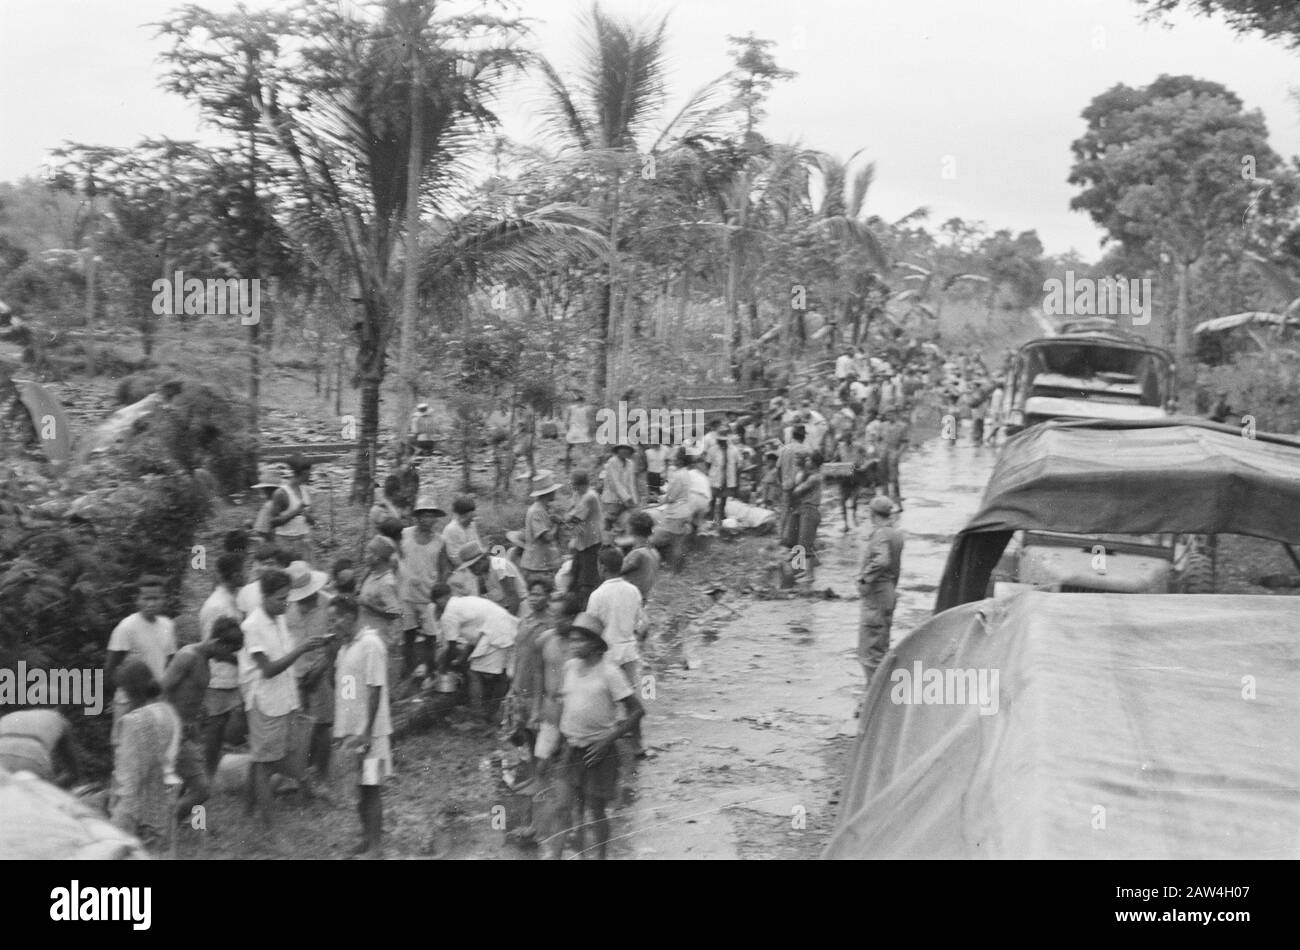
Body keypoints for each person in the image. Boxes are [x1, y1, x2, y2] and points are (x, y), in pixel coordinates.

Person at [239, 568, 328, 841]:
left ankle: (249, 809)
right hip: (265, 702)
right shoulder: (252, 626)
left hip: (283, 699)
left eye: (287, 598)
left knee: (265, 758)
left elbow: (285, 665)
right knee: (265, 765)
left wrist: (294, 698)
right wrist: (301, 649)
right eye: (280, 599)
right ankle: (271, 830)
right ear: (264, 597)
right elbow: (267, 669)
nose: (285, 604)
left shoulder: (277, 618)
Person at [548, 613, 644, 860]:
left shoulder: (609, 673)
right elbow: (566, 706)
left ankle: (600, 855)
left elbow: (637, 711)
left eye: (579, 640)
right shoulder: (570, 667)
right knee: (563, 807)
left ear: (593, 644)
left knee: (595, 810)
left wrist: (608, 740)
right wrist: (557, 741)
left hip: (598, 752)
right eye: (571, 640)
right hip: (571, 747)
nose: (572, 645)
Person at [328, 594, 393, 858]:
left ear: (349, 616)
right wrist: (342, 731)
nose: (332, 625)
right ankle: (366, 839)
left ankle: (376, 847)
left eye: (335, 620)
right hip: (352, 733)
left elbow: (375, 689)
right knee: (361, 790)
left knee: (371, 787)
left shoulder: (371, 644)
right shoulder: (345, 647)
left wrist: (366, 731)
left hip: (371, 733)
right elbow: (343, 689)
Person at [161, 618, 243, 824]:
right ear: (219, 644)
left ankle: (179, 823)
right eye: (230, 651)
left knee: (186, 782)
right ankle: (166, 824)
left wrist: (194, 721)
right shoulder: (187, 657)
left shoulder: (204, 659)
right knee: (202, 788)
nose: (230, 656)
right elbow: (163, 690)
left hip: (186, 729)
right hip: (172, 729)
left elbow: (191, 695)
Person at [109, 660, 181, 851]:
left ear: (130, 690)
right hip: (163, 802)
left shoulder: (134, 722)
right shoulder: (167, 712)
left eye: (122, 690)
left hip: (139, 812)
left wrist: (119, 823)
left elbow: (129, 779)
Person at [584, 547, 646, 757]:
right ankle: (638, 745)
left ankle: (605, 746)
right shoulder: (633, 590)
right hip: (629, 651)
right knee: (631, 701)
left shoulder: (597, 595)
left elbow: (591, 628)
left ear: (601, 567)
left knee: (605, 701)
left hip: (607, 654)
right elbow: (640, 622)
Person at [105, 575, 176, 748]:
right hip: (130, 699)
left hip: (157, 699)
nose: (151, 603)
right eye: (146, 598)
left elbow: (170, 662)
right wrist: (125, 694)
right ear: (137, 600)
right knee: (125, 747)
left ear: (164, 599)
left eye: (156, 598)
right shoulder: (127, 627)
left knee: (153, 749)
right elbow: (111, 667)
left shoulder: (167, 625)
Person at [432, 584, 519, 725]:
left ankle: (477, 715)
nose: (438, 606)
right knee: (501, 675)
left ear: (440, 599)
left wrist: (444, 667)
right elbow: (473, 640)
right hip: (504, 626)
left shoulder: (449, 613)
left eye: (437, 602)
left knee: (474, 674)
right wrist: (461, 658)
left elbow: (451, 646)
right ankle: (493, 711)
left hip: (495, 631)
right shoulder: (463, 602)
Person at [197, 553, 245, 776]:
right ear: (234, 574)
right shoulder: (216, 605)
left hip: (232, 673)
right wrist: (242, 662)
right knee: (215, 727)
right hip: (219, 675)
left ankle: (215, 769)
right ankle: (209, 772)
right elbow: (212, 647)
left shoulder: (231, 599)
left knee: (225, 725)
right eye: (241, 571)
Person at [398, 495, 446, 690]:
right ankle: (408, 671)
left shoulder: (439, 541)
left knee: (431, 635)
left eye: (432, 516)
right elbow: (396, 557)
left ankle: (430, 670)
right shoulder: (404, 535)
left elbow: (443, 567)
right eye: (424, 515)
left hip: (428, 595)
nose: (429, 520)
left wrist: (440, 588)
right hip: (406, 594)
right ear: (417, 517)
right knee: (407, 634)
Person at [857, 496, 905, 688]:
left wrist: (864, 577)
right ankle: (878, 695)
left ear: (873, 514)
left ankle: (872, 697)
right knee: (880, 645)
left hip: (876, 595)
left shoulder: (880, 535)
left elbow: (882, 560)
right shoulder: (896, 534)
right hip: (888, 593)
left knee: (870, 651)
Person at [0, 708, 81, 786]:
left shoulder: (11, 716)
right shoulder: (61, 719)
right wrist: (52, 788)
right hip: (34, 760)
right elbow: (73, 773)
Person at [449, 539, 525, 615]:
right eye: (470, 568)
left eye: (473, 567)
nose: (472, 571)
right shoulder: (484, 573)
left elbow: (514, 598)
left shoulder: (499, 565)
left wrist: (508, 621)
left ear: (483, 559)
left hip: (520, 610)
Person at [564, 470, 603, 609]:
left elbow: (573, 518)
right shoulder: (577, 494)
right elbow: (569, 513)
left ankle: (587, 607)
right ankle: (572, 605)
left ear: (583, 485)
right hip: (581, 540)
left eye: (576, 485)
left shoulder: (589, 496)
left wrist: (565, 520)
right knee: (574, 574)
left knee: (587, 579)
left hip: (591, 541)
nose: (574, 488)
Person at [270, 454, 316, 563]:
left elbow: (312, 520)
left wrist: (309, 517)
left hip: (304, 541)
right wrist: (295, 513)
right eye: (310, 472)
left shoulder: (305, 491)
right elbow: (272, 522)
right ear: (304, 473)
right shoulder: (281, 493)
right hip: (286, 543)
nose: (311, 475)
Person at [521, 475, 563, 587]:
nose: (555, 492)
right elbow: (547, 537)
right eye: (553, 491)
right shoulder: (536, 511)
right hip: (536, 566)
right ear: (547, 493)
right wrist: (556, 524)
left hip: (542, 564)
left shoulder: (544, 509)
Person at [790, 452, 824, 578]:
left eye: (808, 460)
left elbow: (797, 490)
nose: (806, 461)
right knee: (803, 543)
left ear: (814, 463)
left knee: (804, 544)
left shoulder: (814, 478)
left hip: (809, 510)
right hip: (807, 510)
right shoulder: (812, 475)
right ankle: (801, 571)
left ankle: (808, 576)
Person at [775, 425, 812, 542]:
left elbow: (778, 468)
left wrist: (781, 482)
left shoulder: (784, 449)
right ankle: (797, 537)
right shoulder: (806, 450)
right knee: (800, 510)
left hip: (786, 484)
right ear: (803, 437)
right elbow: (809, 469)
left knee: (785, 510)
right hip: (800, 485)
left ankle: (782, 536)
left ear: (793, 436)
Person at [620, 511, 660, 605]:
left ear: (632, 529)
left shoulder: (637, 554)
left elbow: (616, 571)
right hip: (643, 596)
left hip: (632, 598)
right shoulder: (653, 551)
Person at [707, 426, 743, 528]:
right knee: (712, 500)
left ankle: (722, 522)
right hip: (715, 478)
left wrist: (736, 480)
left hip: (728, 479)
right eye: (719, 440)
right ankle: (711, 521)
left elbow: (738, 464)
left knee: (723, 501)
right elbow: (708, 464)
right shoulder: (713, 450)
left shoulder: (734, 450)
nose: (720, 442)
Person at [600, 444, 638, 534]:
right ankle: (606, 544)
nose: (625, 451)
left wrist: (634, 500)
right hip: (612, 498)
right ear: (618, 450)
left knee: (623, 523)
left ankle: (618, 542)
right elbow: (615, 483)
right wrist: (627, 498)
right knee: (609, 522)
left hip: (625, 500)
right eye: (622, 449)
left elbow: (631, 483)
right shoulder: (612, 462)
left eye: (627, 449)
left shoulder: (630, 463)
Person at [879, 409, 909, 507]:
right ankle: (885, 502)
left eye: (891, 414)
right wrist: (879, 449)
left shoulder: (902, 426)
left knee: (894, 478)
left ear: (895, 414)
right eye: (887, 414)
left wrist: (898, 453)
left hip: (893, 452)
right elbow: (878, 439)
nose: (889, 416)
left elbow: (905, 442)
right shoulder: (882, 425)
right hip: (883, 452)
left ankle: (898, 503)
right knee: (883, 478)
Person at [442, 496, 482, 568]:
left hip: (476, 563)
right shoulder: (451, 529)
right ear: (464, 515)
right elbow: (454, 558)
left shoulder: (471, 525)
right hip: (460, 569)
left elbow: (477, 545)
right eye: (471, 514)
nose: (474, 517)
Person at [564, 393, 592, 472]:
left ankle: (581, 468)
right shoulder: (572, 408)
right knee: (570, 449)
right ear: (576, 402)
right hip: (574, 432)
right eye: (578, 401)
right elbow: (567, 419)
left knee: (582, 450)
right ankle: (568, 469)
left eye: (580, 402)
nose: (579, 403)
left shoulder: (586, 409)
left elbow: (589, 421)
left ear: (583, 402)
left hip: (581, 432)